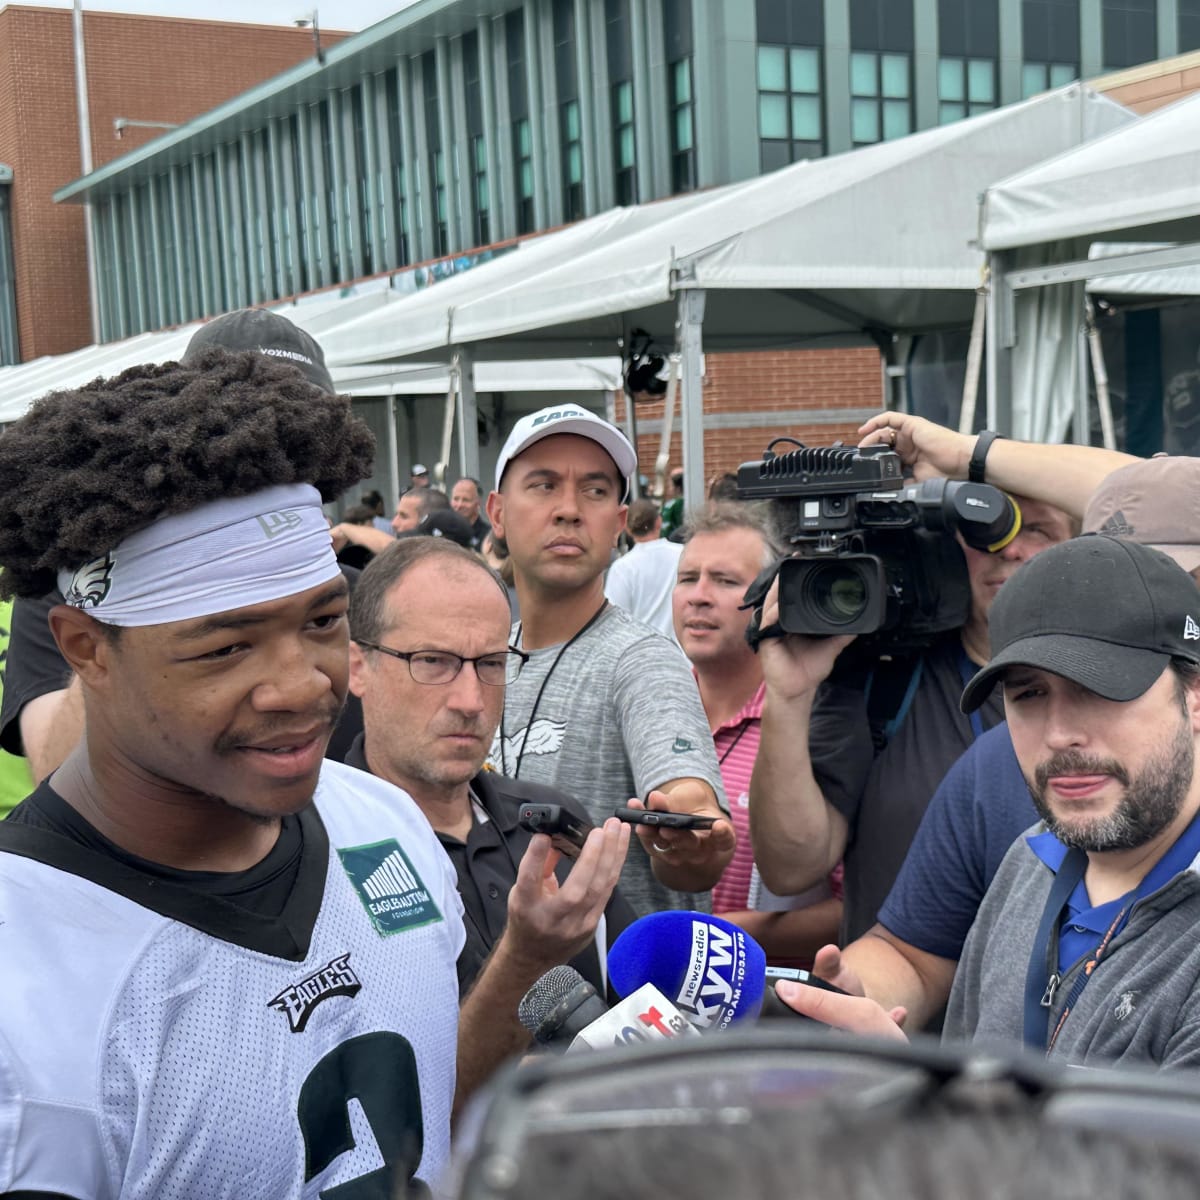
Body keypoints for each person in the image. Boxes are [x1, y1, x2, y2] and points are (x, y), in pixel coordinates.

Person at [0, 351, 466, 1196]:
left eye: (324, 620)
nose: (301, 685)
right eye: (225, 646)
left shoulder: (385, 824)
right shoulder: (22, 975)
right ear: (84, 649)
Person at [783, 535, 1200, 1069]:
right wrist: (850, 1006)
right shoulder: (1029, 859)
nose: (1058, 734)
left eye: (1100, 689)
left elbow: (1156, 1155)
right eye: (1028, 694)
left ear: (1192, 695)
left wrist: (921, 1110)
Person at [0, 307, 368, 782]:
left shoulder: (357, 588)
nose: (269, 457)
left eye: (298, 434)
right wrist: (124, 608)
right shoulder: (80, 584)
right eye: (238, 429)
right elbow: (55, 766)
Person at [345, 536, 633, 1106]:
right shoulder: (315, 849)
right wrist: (526, 960)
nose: (471, 700)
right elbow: (406, 1118)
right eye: (434, 662)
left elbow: (638, 999)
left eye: (493, 664)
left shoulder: (549, 823)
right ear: (358, 666)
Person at [750, 479, 1075, 941]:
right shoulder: (885, 675)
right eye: (983, 531)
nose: (1009, 549)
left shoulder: (1118, 696)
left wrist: (964, 451)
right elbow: (790, 869)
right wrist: (788, 697)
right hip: (895, 1003)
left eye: (1038, 529)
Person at [484, 405, 734, 916]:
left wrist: (688, 828)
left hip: (617, 992)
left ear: (619, 523)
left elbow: (688, 818)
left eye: (595, 490)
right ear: (498, 514)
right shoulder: (479, 663)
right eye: (543, 485)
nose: (569, 509)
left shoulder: (641, 661)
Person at [672, 501, 842, 966]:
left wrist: (723, 938)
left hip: (770, 1016)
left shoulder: (809, 720)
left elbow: (854, 908)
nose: (698, 596)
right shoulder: (653, 706)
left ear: (771, 596)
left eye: (724, 581)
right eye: (688, 578)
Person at [603, 498, 684, 641]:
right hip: (683, 654)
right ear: (658, 521)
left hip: (643, 655)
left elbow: (614, 621)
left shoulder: (623, 568)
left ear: (627, 528)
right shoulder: (683, 555)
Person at [451, 476, 492, 551]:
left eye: (466, 500)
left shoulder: (489, 537)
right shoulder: (445, 534)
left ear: (478, 502)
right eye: (456, 499)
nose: (459, 505)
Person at [659, 467, 685, 541]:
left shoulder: (673, 505)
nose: (669, 488)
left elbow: (665, 528)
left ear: (677, 487)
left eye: (670, 485)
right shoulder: (693, 501)